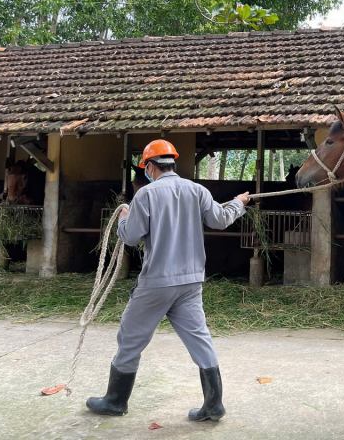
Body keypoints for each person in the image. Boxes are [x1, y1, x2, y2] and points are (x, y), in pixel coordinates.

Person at [86, 139, 251, 421]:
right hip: (190, 282)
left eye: (146, 168)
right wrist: (238, 203)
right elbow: (220, 219)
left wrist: (124, 217)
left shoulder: (146, 195)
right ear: (172, 162)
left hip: (157, 282)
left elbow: (130, 236)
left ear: (150, 166)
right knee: (200, 338)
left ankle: (115, 400)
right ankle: (214, 404)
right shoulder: (197, 190)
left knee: (130, 338)